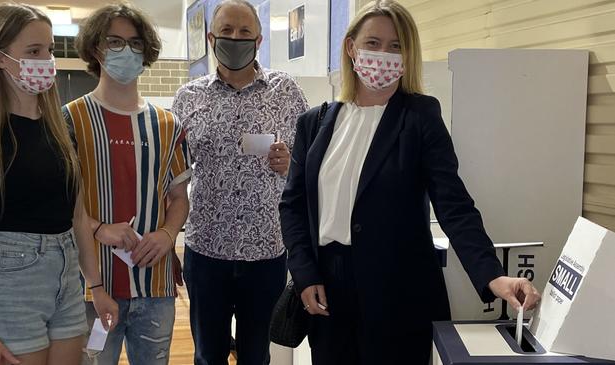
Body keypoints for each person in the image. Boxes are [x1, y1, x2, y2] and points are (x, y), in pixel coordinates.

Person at [279, 1, 542, 364]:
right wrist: (305, 274)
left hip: (399, 292)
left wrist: (493, 276)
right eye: (373, 43)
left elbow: (454, 205)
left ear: (408, 56)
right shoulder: (314, 122)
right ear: (350, 47)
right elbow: (292, 206)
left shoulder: (420, 116)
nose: (383, 54)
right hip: (329, 293)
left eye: (396, 46)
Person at [0, 4, 118, 365]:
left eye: (49, 50)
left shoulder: (60, 129)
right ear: (0, 59)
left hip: (65, 280)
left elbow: (78, 218)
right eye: (33, 52)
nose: (47, 60)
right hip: (10, 281)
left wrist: (96, 286)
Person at [172, 0, 308, 363]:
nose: (235, 38)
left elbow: (311, 162)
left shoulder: (286, 92)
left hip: (265, 250)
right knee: (207, 355)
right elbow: (171, 174)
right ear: (211, 38)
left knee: (256, 355)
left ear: (259, 40)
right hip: (206, 251)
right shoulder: (189, 98)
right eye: (227, 32)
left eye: (244, 32)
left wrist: (290, 162)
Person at [63, 3, 191, 364]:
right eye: (114, 42)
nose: (126, 51)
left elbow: (179, 197)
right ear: (95, 49)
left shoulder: (167, 124)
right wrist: (99, 228)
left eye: (135, 43)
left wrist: (167, 234)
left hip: (156, 287)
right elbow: (59, 202)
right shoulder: (70, 120)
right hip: (92, 288)